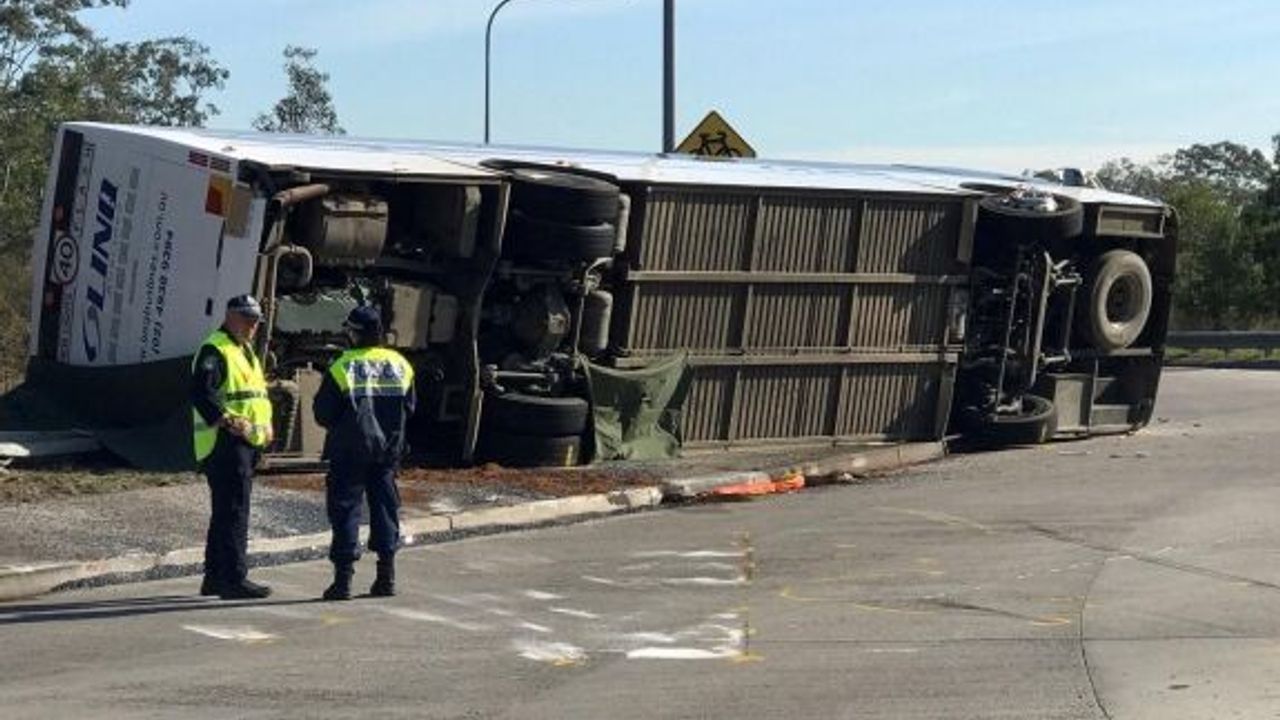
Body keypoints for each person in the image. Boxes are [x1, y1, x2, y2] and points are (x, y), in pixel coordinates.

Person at [313, 305, 416, 601]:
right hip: (387, 452)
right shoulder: (400, 364)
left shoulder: (342, 366)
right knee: (385, 510)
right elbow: (410, 408)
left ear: (356, 333)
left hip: (349, 452)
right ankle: (386, 578)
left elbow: (323, 413)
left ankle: (343, 583)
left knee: (346, 512)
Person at [190, 294, 275, 600]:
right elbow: (202, 393)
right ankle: (234, 579)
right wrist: (227, 420)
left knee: (226, 511)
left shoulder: (243, 348)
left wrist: (265, 425)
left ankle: (214, 578)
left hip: (246, 441)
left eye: (256, 321)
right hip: (224, 442)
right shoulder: (216, 348)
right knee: (235, 511)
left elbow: (254, 395)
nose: (254, 326)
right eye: (248, 319)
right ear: (231, 316)